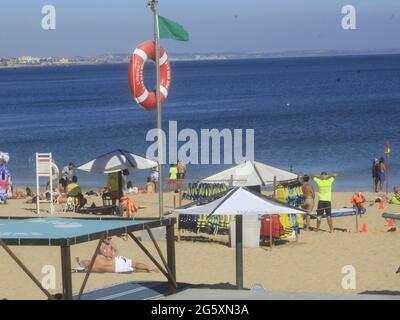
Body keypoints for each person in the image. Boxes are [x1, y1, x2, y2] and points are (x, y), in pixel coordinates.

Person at [75, 237, 158, 273]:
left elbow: (116, 250)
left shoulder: (111, 243)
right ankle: (148, 270)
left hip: (116, 262)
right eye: (108, 238)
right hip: (115, 264)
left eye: (110, 238)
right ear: (103, 239)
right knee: (133, 268)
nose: (110, 239)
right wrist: (109, 256)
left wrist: (113, 256)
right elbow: (102, 253)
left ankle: (149, 268)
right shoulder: (101, 245)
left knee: (134, 266)